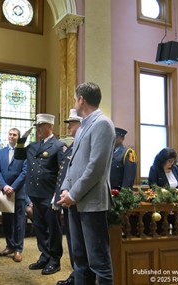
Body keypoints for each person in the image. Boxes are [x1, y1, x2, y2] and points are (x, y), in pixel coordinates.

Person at [58, 82, 115, 285]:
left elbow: (95, 168)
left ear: (81, 100)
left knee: (98, 262)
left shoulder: (103, 124)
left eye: (75, 98)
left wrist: (73, 194)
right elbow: (73, 163)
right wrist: (66, 188)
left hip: (91, 203)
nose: (75, 102)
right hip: (75, 200)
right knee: (80, 260)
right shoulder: (83, 126)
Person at [15, 113, 64, 275]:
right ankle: (45, 255)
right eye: (36, 127)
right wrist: (22, 139)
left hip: (49, 195)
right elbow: (18, 155)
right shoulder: (33, 146)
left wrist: (57, 196)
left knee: (53, 228)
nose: (38, 130)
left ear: (50, 127)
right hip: (35, 194)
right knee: (40, 227)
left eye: (40, 126)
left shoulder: (58, 146)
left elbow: (62, 173)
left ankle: (55, 259)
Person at [54, 109, 81, 285]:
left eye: (72, 122)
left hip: (80, 199)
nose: (69, 126)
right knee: (72, 241)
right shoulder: (71, 147)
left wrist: (72, 193)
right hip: (68, 198)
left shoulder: (85, 145)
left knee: (80, 244)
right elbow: (63, 173)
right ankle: (76, 274)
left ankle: (80, 276)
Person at [0, 128, 27, 262]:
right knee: (7, 221)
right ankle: (10, 245)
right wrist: (5, 186)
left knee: (19, 222)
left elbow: (25, 172)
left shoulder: (23, 153)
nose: (11, 137)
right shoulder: (1, 152)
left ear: (18, 138)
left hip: (18, 192)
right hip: (5, 192)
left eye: (14, 135)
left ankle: (18, 249)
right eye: (10, 134)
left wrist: (13, 187)